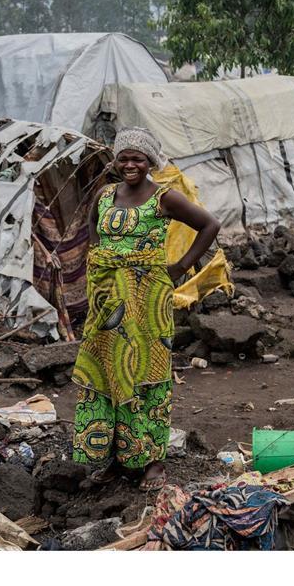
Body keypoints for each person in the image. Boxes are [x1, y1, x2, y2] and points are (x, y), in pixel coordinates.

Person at [72, 127, 220, 491]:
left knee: (146, 372)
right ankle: (117, 457)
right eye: (123, 158)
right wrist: (101, 259)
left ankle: (153, 460)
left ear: (150, 161)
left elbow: (209, 225)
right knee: (108, 371)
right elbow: (92, 227)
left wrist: (179, 267)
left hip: (147, 300)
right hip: (107, 300)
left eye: (137, 159)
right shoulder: (106, 194)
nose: (129, 165)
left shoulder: (164, 197)